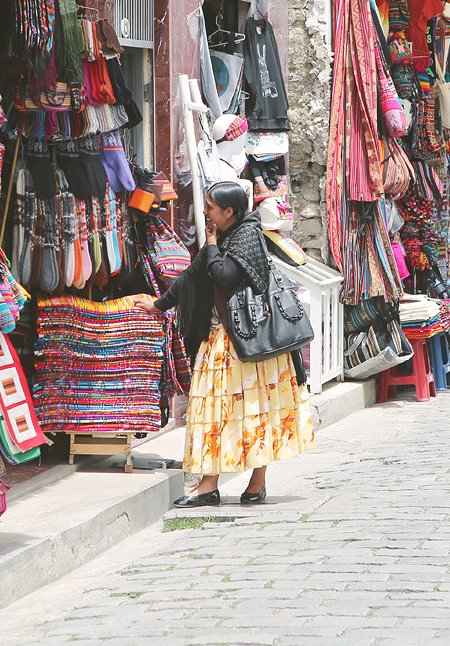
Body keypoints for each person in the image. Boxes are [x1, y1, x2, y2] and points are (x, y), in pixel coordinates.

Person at [132, 182, 315, 508]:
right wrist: (158, 306)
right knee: (212, 413)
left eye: (209, 207)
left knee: (255, 413)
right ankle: (209, 485)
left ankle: (254, 482)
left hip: (246, 345)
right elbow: (192, 276)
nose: (204, 212)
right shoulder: (228, 237)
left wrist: (213, 243)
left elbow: (225, 277)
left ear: (228, 212)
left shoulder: (245, 237)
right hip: (224, 344)